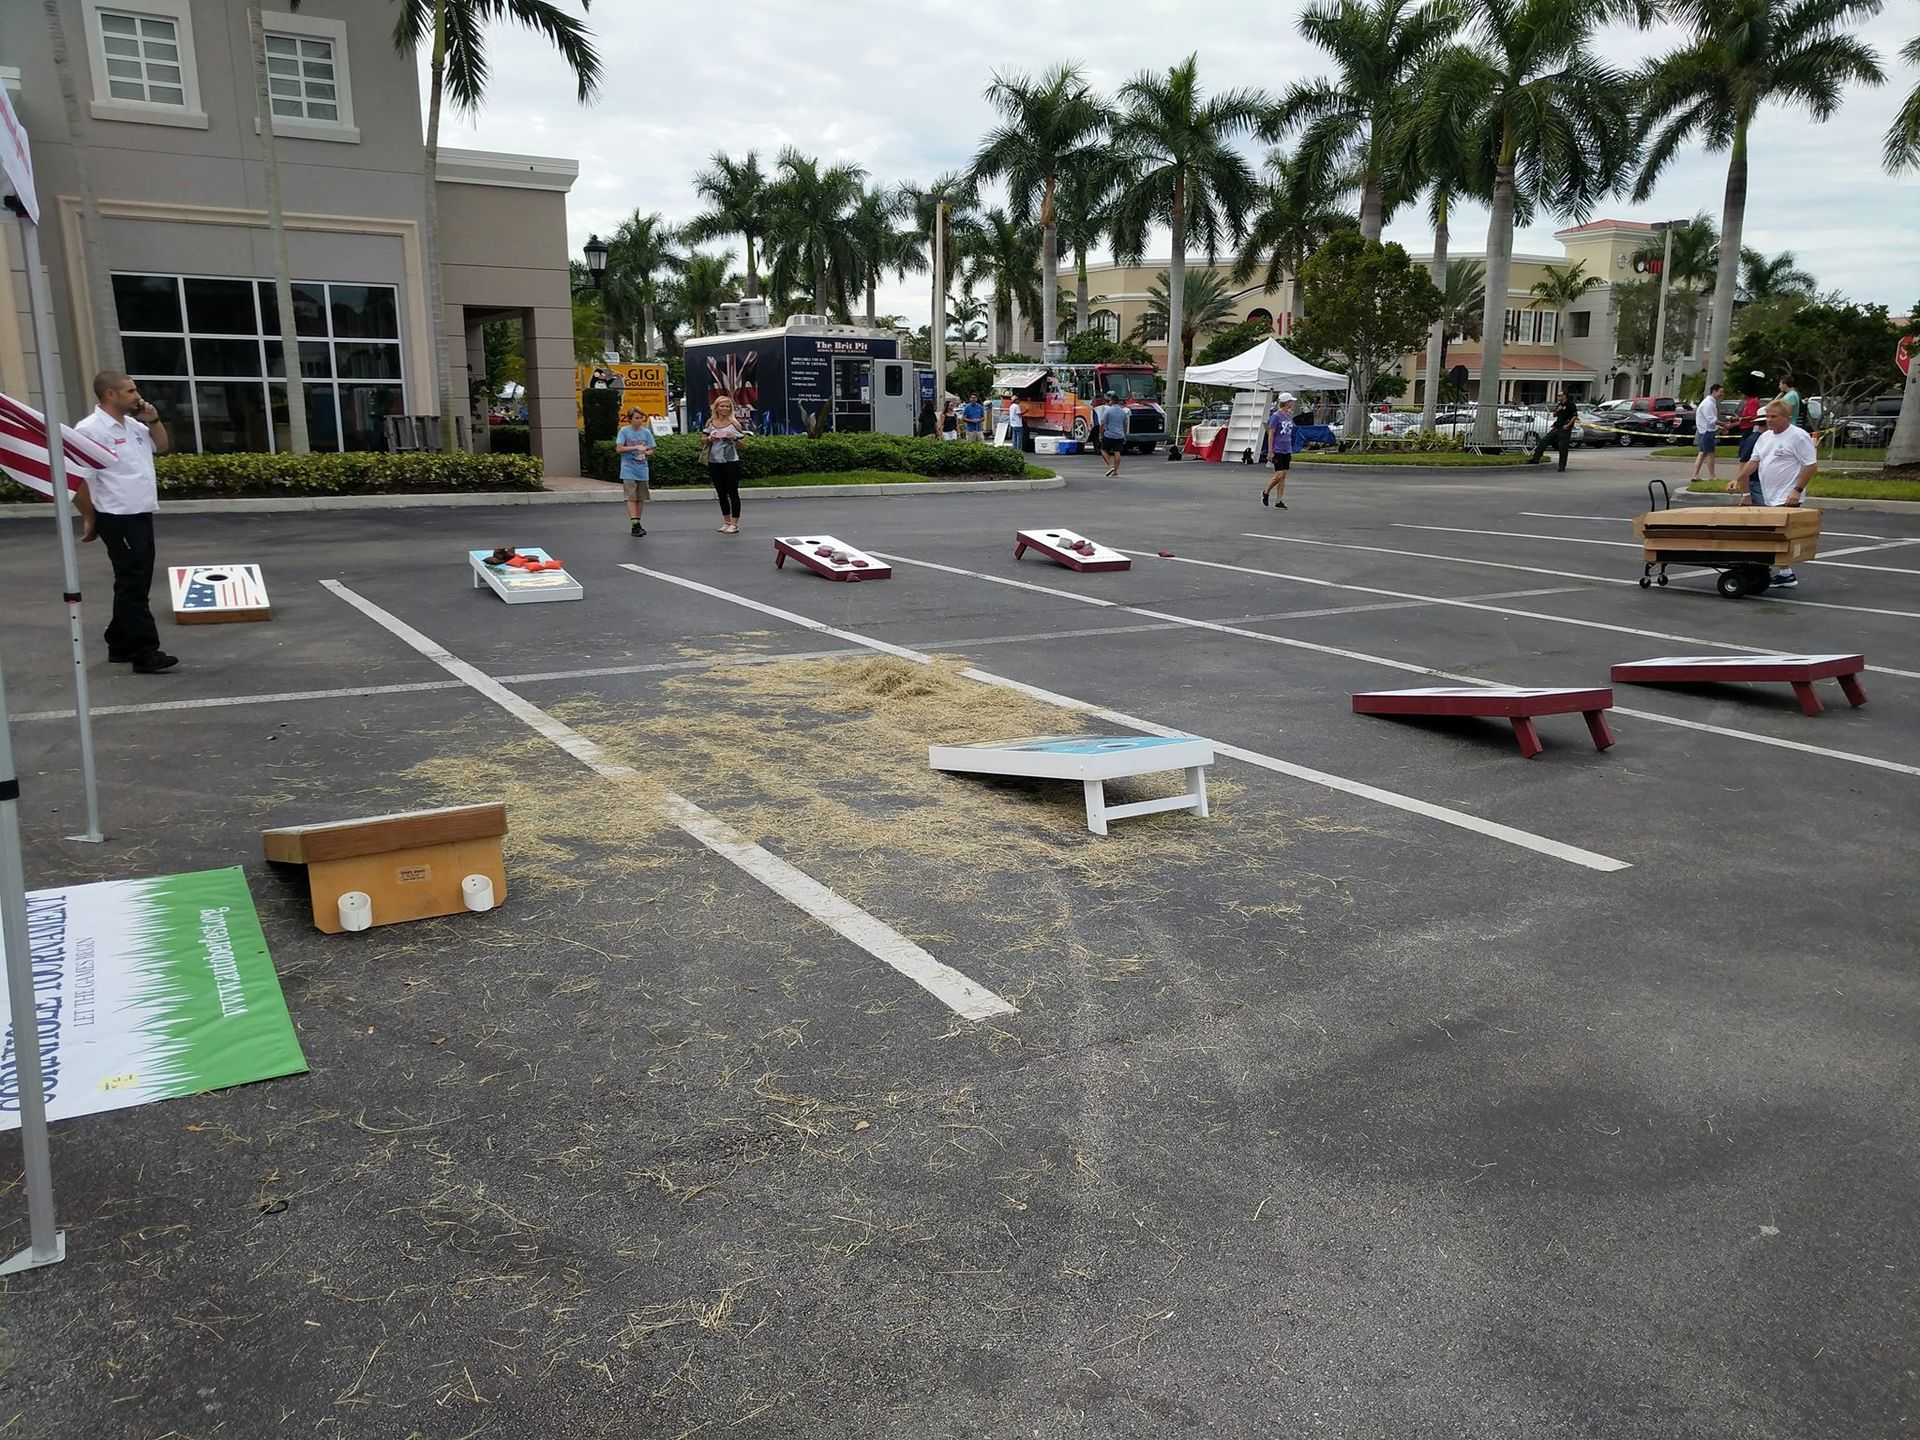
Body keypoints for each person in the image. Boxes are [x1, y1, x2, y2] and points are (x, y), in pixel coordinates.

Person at [74, 371, 175, 673]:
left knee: (136, 580)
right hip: (117, 516)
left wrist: (153, 419)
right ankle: (145, 652)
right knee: (133, 583)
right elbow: (78, 480)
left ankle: (119, 642)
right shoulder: (90, 430)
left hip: (141, 512)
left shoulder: (133, 425)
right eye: (130, 391)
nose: (137, 395)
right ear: (110, 395)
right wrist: (90, 518)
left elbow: (162, 446)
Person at [1728, 397, 1817, 588]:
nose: (1769, 420)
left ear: (1786, 417)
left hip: (1787, 496)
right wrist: (1738, 479)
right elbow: (1754, 461)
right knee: (1772, 536)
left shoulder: (1798, 436)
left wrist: (1797, 490)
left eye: (1773, 416)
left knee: (1777, 536)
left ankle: (1782, 572)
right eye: (1767, 416)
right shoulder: (1765, 437)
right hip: (1769, 495)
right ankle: (1784, 573)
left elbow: (1810, 466)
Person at [702, 395, 749, 535]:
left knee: (732, 492)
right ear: (716, 407)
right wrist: (710, 438)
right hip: (714, 461)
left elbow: (743, 445)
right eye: (722, 406)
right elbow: (703, 439)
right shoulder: (710, 422)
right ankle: (726, 521)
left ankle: (735, 523)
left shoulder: (735, 424)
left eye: (727, 406)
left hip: (731, 461)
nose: (724, 408)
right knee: (721, 493)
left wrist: (733, 437)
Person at [614, 407, 655, 538]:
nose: (639, 421)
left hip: (642, 469)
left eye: (641, 418)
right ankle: (634, 524)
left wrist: (645, 453)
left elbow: (651, 449)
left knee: (640, 497)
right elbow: (619, 449)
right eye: (636, 418)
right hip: (628, 468)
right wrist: (635, 447)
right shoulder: (624, 431)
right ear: (629, 419)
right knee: (631, 496)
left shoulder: (646, 432)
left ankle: (638, 522)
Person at [1529, 389, 1579, 470]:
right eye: (1558, 395)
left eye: (1560, 395)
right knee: (1543, 441)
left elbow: (1575, 416)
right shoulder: (1559, 404)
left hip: (1564, 429)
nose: (1558, 397)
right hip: (1557, 427)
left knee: (1562, 448)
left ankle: (1562, 466)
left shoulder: (1570, 404)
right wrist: (1558, 410)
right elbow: (1554, 415)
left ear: (1564, 396)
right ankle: (1535, 459)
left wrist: (1568, 425)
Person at [1262, 393, 1295, 508]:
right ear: (1286, 402)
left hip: (1287, 448)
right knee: (1279, 474)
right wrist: (1270, 450)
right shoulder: (1276, 416)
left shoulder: (1289, 415)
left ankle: (1279, 500)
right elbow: (1271, 433)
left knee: (1283, 475)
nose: (1292, 403)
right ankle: (1266, 491)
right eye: (1290, 401)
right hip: (1278, 448)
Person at [1689, 382, 1723, 485]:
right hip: (1706, 432)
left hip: (1704, 431)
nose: (1722, 394)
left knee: (1702, 453)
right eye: (1721, 392)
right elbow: (1711, 420)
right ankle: (1712, 476)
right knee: (1710, 454)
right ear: (1714, 391)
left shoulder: (1710, 402)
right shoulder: (1708, 403)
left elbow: (1710, 421)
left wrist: (1719, 427)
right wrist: (1724, 425)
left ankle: (1695, 475)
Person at [1097, 392, 1128, 477]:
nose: (1108, 402)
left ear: (1112, 401)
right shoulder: (1123, 412)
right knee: (1117, 452)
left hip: (1109, 435)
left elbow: (1102, 423)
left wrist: (1101, 434)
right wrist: (1124, 435)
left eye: (1109, 400)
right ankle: (1115, 471)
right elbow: (1125, 424)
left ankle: (1111, 466)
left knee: (1103, 450)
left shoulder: (1108, 411)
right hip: (1120, 435)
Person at [1735, 382, 1764, 463]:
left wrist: (1741, 419)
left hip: (1749, 428)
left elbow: (1753, 416)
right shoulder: (1748, 402)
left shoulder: (1752, 402)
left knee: (1746, 448)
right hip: (1745, 428)